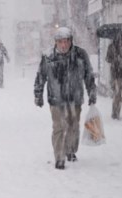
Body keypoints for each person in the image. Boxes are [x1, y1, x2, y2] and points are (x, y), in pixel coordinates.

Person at [34, 27, 97, 170]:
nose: (63, 45)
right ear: (56, 43)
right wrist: (38, 95)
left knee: (73, 126)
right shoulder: (48, 56)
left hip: (75, 98)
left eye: (66, 41)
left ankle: (70, 150)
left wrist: (92, 92)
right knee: (59, 128)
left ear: (71, 41)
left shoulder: (80, 55)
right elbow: (40, 77)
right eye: (60, 42)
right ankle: (59, 157)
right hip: (56, 99)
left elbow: (89, 75)